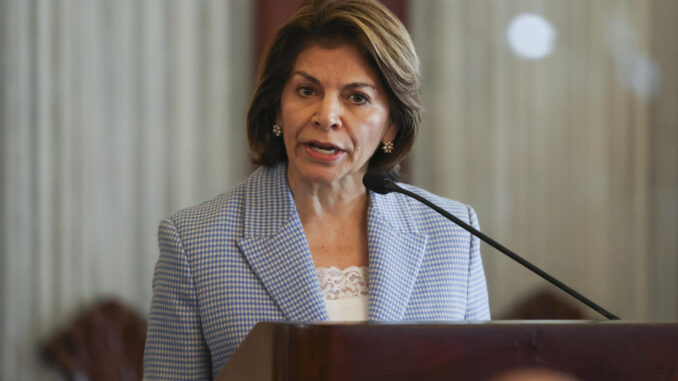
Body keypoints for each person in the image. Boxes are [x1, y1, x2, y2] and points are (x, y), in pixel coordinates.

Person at [143, 0, 490, 379]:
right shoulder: (195, 242)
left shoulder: (454, 232)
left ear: (392, 124)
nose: (326, 116)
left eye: (357, 97)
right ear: (277, 107)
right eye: (307, 91)